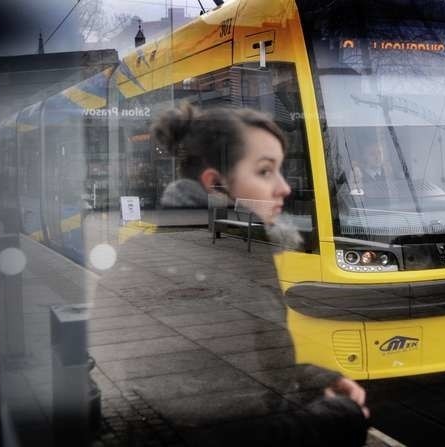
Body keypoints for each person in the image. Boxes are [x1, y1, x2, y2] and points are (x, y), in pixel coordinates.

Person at [149, 103, 370, 446]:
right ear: (216, 184)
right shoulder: (195, 278)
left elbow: (259, 363)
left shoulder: (224, 259)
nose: (285, 187)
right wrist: (343, 419)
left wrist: (320, 379)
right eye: (266, 172)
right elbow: (229, 428)